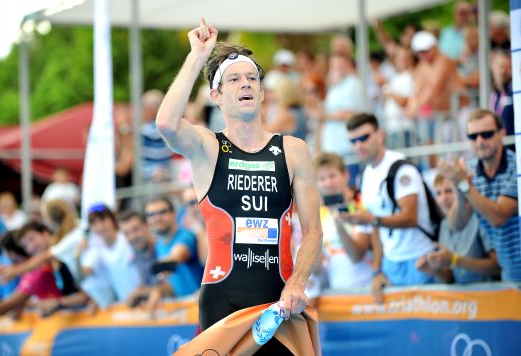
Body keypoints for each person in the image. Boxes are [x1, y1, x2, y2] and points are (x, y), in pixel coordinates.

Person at [156, 18, 322, 353]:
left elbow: (314, 230)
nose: (245, 84)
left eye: (251, 79)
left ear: (262, 92)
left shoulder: (293, 150)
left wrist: (297, 282)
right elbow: (166, 123)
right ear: (216, 95)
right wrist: (197, 57)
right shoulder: (208, 147)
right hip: (223, 301)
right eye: (234, 79)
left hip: (279, 302)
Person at [342, 113, 436, 304]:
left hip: (421, 258)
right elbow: (376, 228)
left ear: (380, 135)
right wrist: (378, 270)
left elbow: (410, 217)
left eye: (364, 137)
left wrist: (371, 220)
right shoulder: (365, 175)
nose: (359, 145)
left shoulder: (402, 168)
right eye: (353, 141)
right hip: (391, 264)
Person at [437, 109, 521, 282]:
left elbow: (498, 216)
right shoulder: (470, 172)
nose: (480, 141)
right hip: (510, 276)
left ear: (502, 134)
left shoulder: (517, 167)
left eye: (487, 134)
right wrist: (459, 190)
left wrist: (464, 185)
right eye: (473, 136)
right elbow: (456, 224)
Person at [0, 222, 85, 328]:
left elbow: (5, 306)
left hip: (75, 322)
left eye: (32, 239)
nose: (30, 247)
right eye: (26, 245)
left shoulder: (43, 269)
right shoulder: (41, 265)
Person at [416, 174, 500, 283]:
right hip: (463, 297)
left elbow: (497, 267)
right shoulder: (444, 225)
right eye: (438, 193)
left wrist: (456, 260)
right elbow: (450, 277)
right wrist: (433, 270)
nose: (443, 199)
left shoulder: (479, 218)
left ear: (461, 193)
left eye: (449, 191)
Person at [314, 152, 372, 289]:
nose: (328, 183)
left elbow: (356, 256)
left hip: (367, 290)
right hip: (337, 293)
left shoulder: (360, 204)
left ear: (346, 175)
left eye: (332, 176)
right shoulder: (320, 214)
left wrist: (338, 223)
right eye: (321, 179)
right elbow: (318, 270)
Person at [143, 198, 203, 311]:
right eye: (151, 215)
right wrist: (158, 292)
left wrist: (163, 265)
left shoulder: (185, 235)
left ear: (174, 214)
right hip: (183, 310)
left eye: (162, 212)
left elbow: (177, 256)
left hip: (200, 308)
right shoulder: (158, 245)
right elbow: (172, 283)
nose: (156, 218)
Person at [119, 210, 160, 308]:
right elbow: (148, 283)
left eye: (136, 230)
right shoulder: (137, 253)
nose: (132, 237)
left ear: (146, 226)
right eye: (127, 233)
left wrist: (140, 292)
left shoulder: (162, 247)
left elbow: (173, 287)